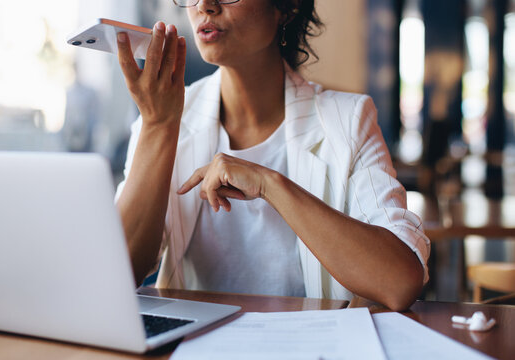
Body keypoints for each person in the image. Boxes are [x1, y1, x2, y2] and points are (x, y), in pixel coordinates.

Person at [115, 0, 430, 311]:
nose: (205, 5)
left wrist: (269, 184)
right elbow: (118, 274)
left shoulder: (347, 119)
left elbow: (399, 282)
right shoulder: (164, 119)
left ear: (286, 7)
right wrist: (157, 127)